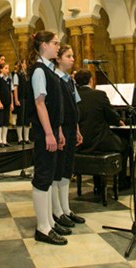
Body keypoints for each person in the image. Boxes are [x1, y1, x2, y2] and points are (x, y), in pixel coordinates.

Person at [26, 30, 68, 245]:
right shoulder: (39, 70)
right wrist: (50, 133)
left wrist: (58, 130)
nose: (57, 46)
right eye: (54, 43)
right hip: (44, 132)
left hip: (52, 130)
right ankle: (42, 228)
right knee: (43, 176)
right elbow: (40, 103)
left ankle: (49, 222)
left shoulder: (49, 70)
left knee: (50, 175)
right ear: (43, 45)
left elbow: (55, 106)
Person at [74, 69, 130, 193]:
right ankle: (121, 181)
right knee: (126, 143)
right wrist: (120, 122)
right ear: (90, 80)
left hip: (79, 144)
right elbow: (112, 116)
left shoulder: (73, 95)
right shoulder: (99, 95)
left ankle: (98, 184)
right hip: (98, 142)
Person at [52, 44, 85, 228]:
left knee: (67, 170)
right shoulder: (55, 79)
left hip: (72, 128)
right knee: (57, 171)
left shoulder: (70, 81)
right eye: (69, 56)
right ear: (58, 59)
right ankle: (56, 210)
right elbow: (56, 108)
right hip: (60, 129)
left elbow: (74, 106)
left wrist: (78, 129)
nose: (73, 59)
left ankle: (66, 208)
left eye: (72, 56)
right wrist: (58, 130)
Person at [0, 62, 14, 147]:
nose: (7, 70)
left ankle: (4, 140)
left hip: (7, 102)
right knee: (0, 120)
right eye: (5, 68)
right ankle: (0, 140)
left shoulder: (9, 80)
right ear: (1, 69)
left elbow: (11, 92)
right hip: (1, 103)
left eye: (8, 68)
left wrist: (11, 103)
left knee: (6, 121)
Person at [13, 60, 30, 143]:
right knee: (20, 118)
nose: (25, 65)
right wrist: (16, 99)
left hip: (28, 99)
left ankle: (26, 138)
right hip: (21, 98)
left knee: (27, 119)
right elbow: (15, 88)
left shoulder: (28, 75)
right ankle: (20, 138)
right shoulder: (17, 75)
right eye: (23, 63)